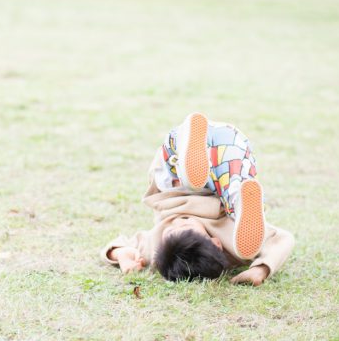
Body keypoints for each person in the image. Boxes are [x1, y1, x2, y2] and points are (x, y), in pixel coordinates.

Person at [101, 112, 295, 286]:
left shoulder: (155, 248)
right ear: (216, 243)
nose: (177, 222)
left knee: (168, 175)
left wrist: (121, 255)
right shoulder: (233, 243)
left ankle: (185, 155)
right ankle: (239, 201)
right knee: (233, 188)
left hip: (174, 177)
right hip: (227, 155)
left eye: (170, 232)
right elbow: (283, 239)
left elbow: (114, 245)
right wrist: (260, 269)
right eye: (186, 225)